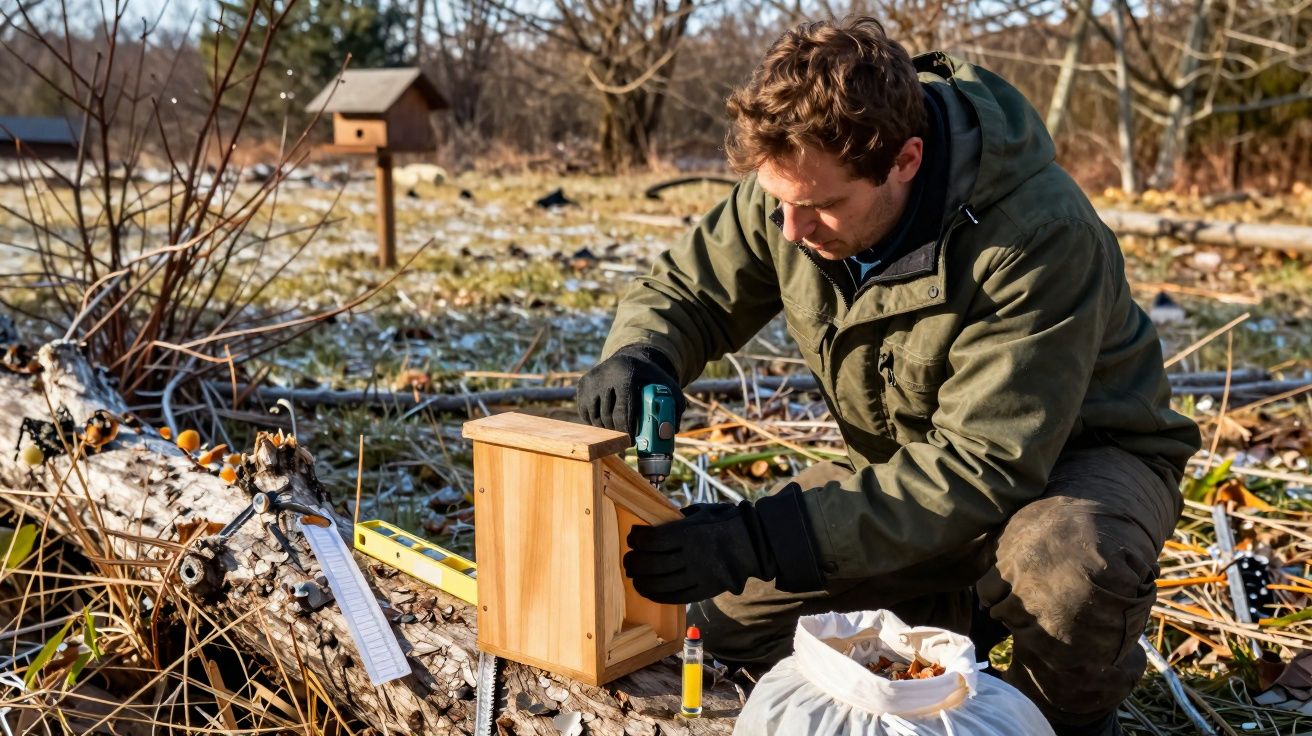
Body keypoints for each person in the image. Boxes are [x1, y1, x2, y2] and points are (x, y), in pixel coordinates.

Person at [576, 16, 1200, 736]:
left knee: (1064, 564)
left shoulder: (1038, 236)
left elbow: (979, 468)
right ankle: (954, 613)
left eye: (818, 207)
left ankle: (1055, 719)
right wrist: (641, 353)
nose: (791, 230)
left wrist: (766, 536)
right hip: (912, 478)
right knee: (718, 624)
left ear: (905, 160)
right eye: (777, 200)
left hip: (1075, 471)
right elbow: (689, 292)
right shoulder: (800, 180)